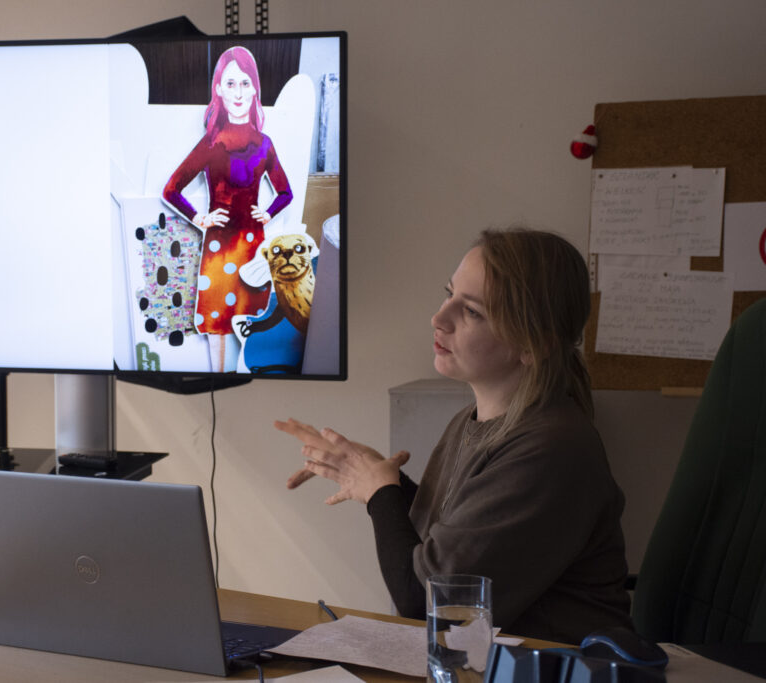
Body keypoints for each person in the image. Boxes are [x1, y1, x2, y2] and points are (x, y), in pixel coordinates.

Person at [275, 227, 633, 644]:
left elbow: (428, 602)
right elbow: (453, 540)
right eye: (449, 294)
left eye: (472, 312)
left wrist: (380, 492)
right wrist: (373, 476)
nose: (439, 318)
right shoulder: (472, 421)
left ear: (533, 346)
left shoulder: (551, 449)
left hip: (554, 665)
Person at [163, 45, 293, 372]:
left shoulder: (264, 143)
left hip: (253, 247)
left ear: (255, 89)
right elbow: (171, 189)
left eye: (245, 83)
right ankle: (218, 380)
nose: (238, 92)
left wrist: (269, 213)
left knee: (252, 321)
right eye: (231, 83)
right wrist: (200, 218)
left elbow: (285, 192)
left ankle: (250, 381)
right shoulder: (211, 143)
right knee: (218, 322)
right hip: (219, 249)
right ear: (219, 89)